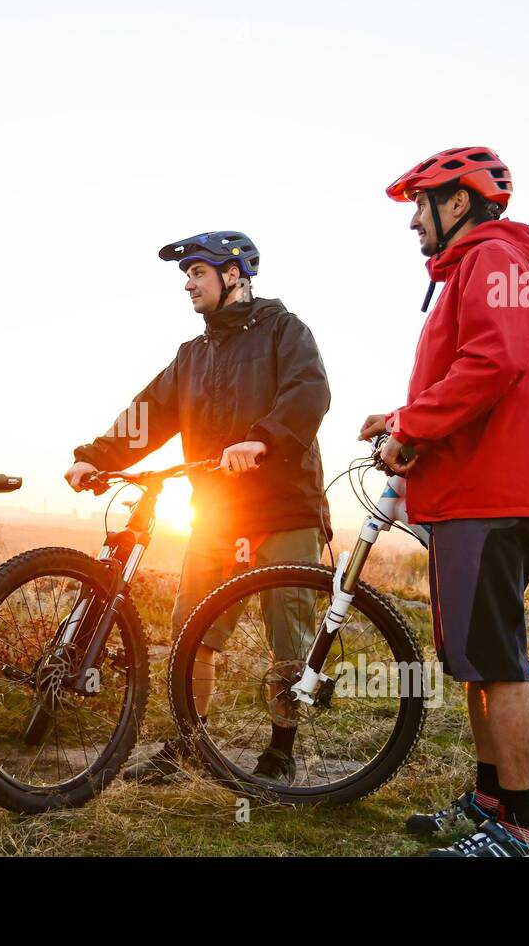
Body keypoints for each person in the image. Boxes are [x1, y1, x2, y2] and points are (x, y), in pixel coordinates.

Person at [66, 231, 332, 786]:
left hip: (284, 510)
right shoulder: (193, 355)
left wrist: (262, 440)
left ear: (233, 275)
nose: (188, 284)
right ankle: (188, 743)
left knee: (289, 639)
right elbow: (149, 412)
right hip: (217, 514)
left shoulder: (286, 331)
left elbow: (310, 392)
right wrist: (97, 456)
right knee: (192, 632)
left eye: (198, 274)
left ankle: (282, 751)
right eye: (186, 275)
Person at [361, 146, 529, 856]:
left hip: (487, 494)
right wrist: (401, 420)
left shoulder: (494, 259)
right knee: (474, 661)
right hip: (463, 493)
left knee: (498, 663)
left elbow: (496, 361)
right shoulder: (473, 267)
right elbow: (465, 372)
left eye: (422, 203)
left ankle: (520, 830)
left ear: (459, 202)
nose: (414, 221)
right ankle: (488, 799)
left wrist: (413, 426)